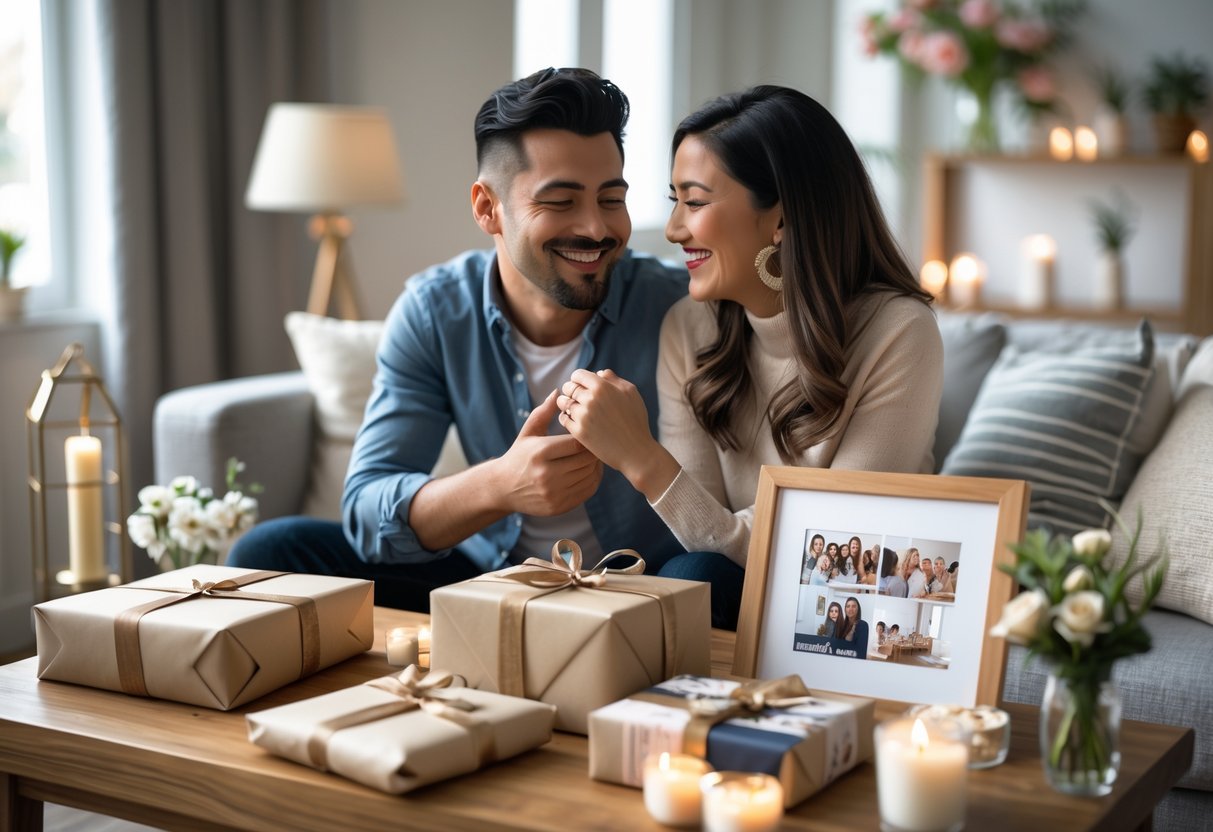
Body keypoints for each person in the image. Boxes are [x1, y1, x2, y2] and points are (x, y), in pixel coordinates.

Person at [227, 68, 688, 610]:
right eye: (561, 202)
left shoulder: (676, 305)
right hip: (491, 583)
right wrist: (499, 485)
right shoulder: (434, 312)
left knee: (709, 573)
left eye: (611, 199)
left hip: (650, 585)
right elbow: (366, 508)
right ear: (486, 208)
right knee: (272, 550)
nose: (595, 228)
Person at [554, 85, 943, 629]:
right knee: (693, 571)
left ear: (779, 220)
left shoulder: (898, 331)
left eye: (694, 201)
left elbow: (834, 554)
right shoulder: (688, 329)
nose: (673, 229)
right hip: (737, 577)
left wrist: (641, 459)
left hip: (854, 602)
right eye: (674, 201)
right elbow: (702, 531)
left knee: (695, 577)